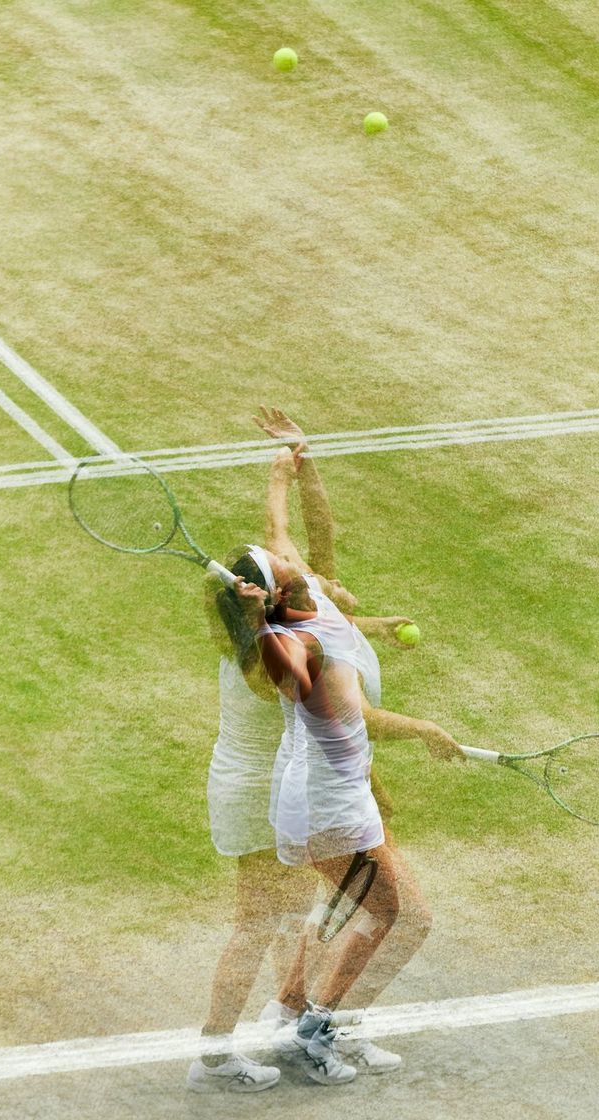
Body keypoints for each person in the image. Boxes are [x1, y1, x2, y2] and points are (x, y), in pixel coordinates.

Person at [187, 422, 414, 1093]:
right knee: (262, 923)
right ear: (268, 594)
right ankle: (220, 1053)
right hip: (265, 794)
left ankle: (306, 1018)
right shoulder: (272, 652)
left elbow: (299, 530)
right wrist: (428, 733)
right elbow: (349, 716)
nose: (296, 565)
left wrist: (290, 468)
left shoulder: (273, 624)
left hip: (278, 784)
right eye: (284, 571)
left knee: (330, 902)